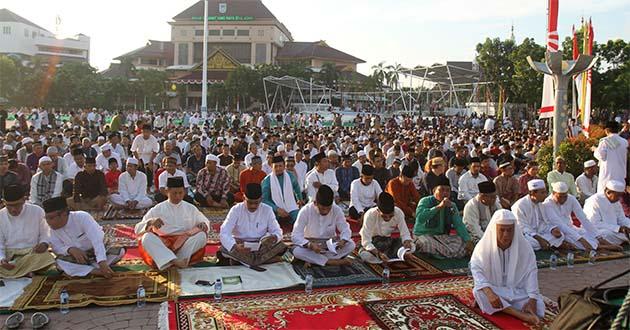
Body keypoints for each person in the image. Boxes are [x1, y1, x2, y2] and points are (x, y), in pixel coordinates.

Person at [470, 210, 544, 326]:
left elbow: (531, 272)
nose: (506, 235)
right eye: (502, 230)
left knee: (539, 305)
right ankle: (519, 314)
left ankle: (501, 307)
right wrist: (489, 293)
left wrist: (532, 300)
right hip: (495, 290)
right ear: (495, 229)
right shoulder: (483, 246)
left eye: (509, 230)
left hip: (517, 291)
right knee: (479, 292)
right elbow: (476, 269)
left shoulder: (524, 247)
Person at [134, 177, 209, 270]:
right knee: (146, 238)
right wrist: (150, 222)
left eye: (180, 193)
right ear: (167, 192)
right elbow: (137, 229)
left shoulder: (190, 208)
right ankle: (175, 261)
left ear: (184, 192)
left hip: (184, 244)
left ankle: (173, 260)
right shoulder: (158, 208)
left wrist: (203, 224)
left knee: (201, 236)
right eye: (174, 193)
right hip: (163, 244)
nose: (178, 196)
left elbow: (205, 222)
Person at [44, 197, 124, 278]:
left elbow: (97, 239)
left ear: (64, 214)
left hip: (99, 251)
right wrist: (70, 250)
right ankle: (96, 271)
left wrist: (102, 261)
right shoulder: (51, 228)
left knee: (119, 250)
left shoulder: (82, 217)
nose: (48, 221)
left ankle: (86, 269)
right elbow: (56, 248)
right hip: (77, 258)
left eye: (51, 218)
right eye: (46, 218)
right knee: (59, 263)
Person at [219, 183, 287, 269]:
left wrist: (274, 237)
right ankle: (265, 260)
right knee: (224, 247)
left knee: (281, 246)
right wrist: (235, 246)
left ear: (261, 199)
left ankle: (242, 261)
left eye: (256, 203)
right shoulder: (236, 210)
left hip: (260, 246)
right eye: (250, 202)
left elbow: (277, 231)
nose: (253, 206)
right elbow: (224, 232)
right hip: (241, 246)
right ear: (244, 198)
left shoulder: (267, 210)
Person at [291, 185, 355, 266]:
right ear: (315, 203)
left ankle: (316, 260)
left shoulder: (336, 210)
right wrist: (309, 245)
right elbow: (295, 235)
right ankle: (331, 261)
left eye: (328, 208)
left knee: (351, 244)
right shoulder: (306, 210)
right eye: (322, 209)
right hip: (311, 245)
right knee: (297, 251)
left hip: (330, 245)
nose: (325, 212)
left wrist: (343, 240)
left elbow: (345, 229)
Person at [0, 185, 55, 278]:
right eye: (9, 205)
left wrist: (44, 243)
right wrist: (2, 259)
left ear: (24, 200)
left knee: (48, 259)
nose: (13, 209)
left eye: (16, 205)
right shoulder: (1, 216)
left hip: (32, 254)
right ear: (3, 202)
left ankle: (18, 273)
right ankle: (27, 272)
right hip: (10, 256)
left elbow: (46, 232)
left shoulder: (37, 211)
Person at [414, 176, 473, 258]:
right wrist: (438, 207)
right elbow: (421, 218)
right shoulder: (425, 201)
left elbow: (458, 224)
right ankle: (449, 253)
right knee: (426, 244)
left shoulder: (452, 205)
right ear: (434, 191)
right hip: (425, 235)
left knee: (462, 242)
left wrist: (467, 240)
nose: (445, 193)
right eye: (441, 190)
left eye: (447, 190)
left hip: (443, 237)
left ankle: (441, 254)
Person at [358, 192, 417, 264]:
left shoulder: (398, 212)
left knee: (412, 246)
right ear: (378, 210)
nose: (388, 218)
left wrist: (406, 242)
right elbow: (366, 240)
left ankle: (397, 254)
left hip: (387, 241)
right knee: (366, 255)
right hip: (373, 242)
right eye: (384, 216)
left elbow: (405, 233)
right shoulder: (370, 214)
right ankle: (393, 255)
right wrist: (378, 254)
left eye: (391, 216)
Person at [512, 179, 565, 251]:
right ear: (532, 193)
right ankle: (547, 244)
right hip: (527, 235)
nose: (545, 195)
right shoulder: (519, 206)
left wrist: (552, 229)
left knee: (560, 235)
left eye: (545, 192)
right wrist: (539, 239)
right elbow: (522, 227)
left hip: (539, 233)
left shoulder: (540, 204)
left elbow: (542, 222)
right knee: (529, 242)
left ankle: (546, 244)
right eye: (542, 193)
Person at [584, 180, 630, 246]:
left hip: (614, 230)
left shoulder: (616, 201)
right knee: (605, 234)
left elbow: (622, 219)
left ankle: (623, 239)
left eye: (620, 196)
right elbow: (593, 223)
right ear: (608, 192)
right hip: (597, 231)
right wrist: (617, 228)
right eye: (617, 196)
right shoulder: (594, 201)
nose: (619, 198)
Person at [262, 156, 303, 223]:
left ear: (284, 166)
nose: (278, 168)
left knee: (300, 219)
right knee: (270, 221)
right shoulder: (267, 181)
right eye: (276, 166)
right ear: (272, 167)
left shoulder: (290, 176)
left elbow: (296, 188)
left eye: (280, 166)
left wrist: (299, 199)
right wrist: (277, 209)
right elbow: (264, 200)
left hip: (290, 206)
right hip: (274, 209)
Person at [592, 121, 628, 193]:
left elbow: (601, 156)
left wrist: (595, 150)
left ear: (607, 130)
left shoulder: (605, 141)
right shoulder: (624, 142)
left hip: (608, 175)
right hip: (620, 175)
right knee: (618, 198)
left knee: (604, 197)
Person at [131, 124, 160, 188]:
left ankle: (148, 187)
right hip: (138, 156)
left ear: (150, 132)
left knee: (149, 170)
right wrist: (138, 160)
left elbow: (155, 151)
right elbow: (133, 150)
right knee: (138, 171)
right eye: (144, 132)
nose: (146, 134)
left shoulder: (153, 139)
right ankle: (137, 187)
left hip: (149, 157)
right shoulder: (138, 138)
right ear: (142, 131)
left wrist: (150, 162)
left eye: (147, 132)